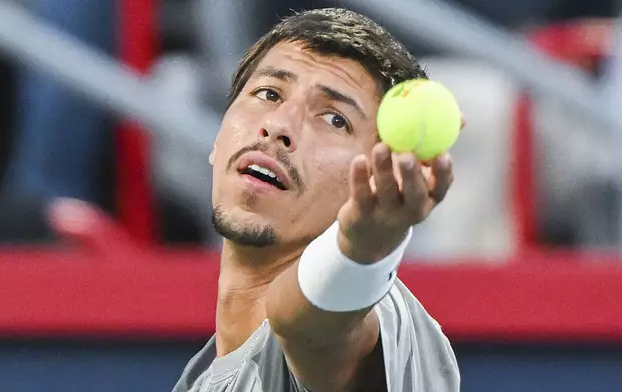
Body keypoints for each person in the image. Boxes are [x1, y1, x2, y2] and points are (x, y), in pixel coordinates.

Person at [173, 8, 460, 392]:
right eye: (268, 93)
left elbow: (309, 327)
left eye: (334, 119)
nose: (278, 126)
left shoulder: (382, 315)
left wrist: (360, 249)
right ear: (217, 138)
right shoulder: (202, 379)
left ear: (379, 172)